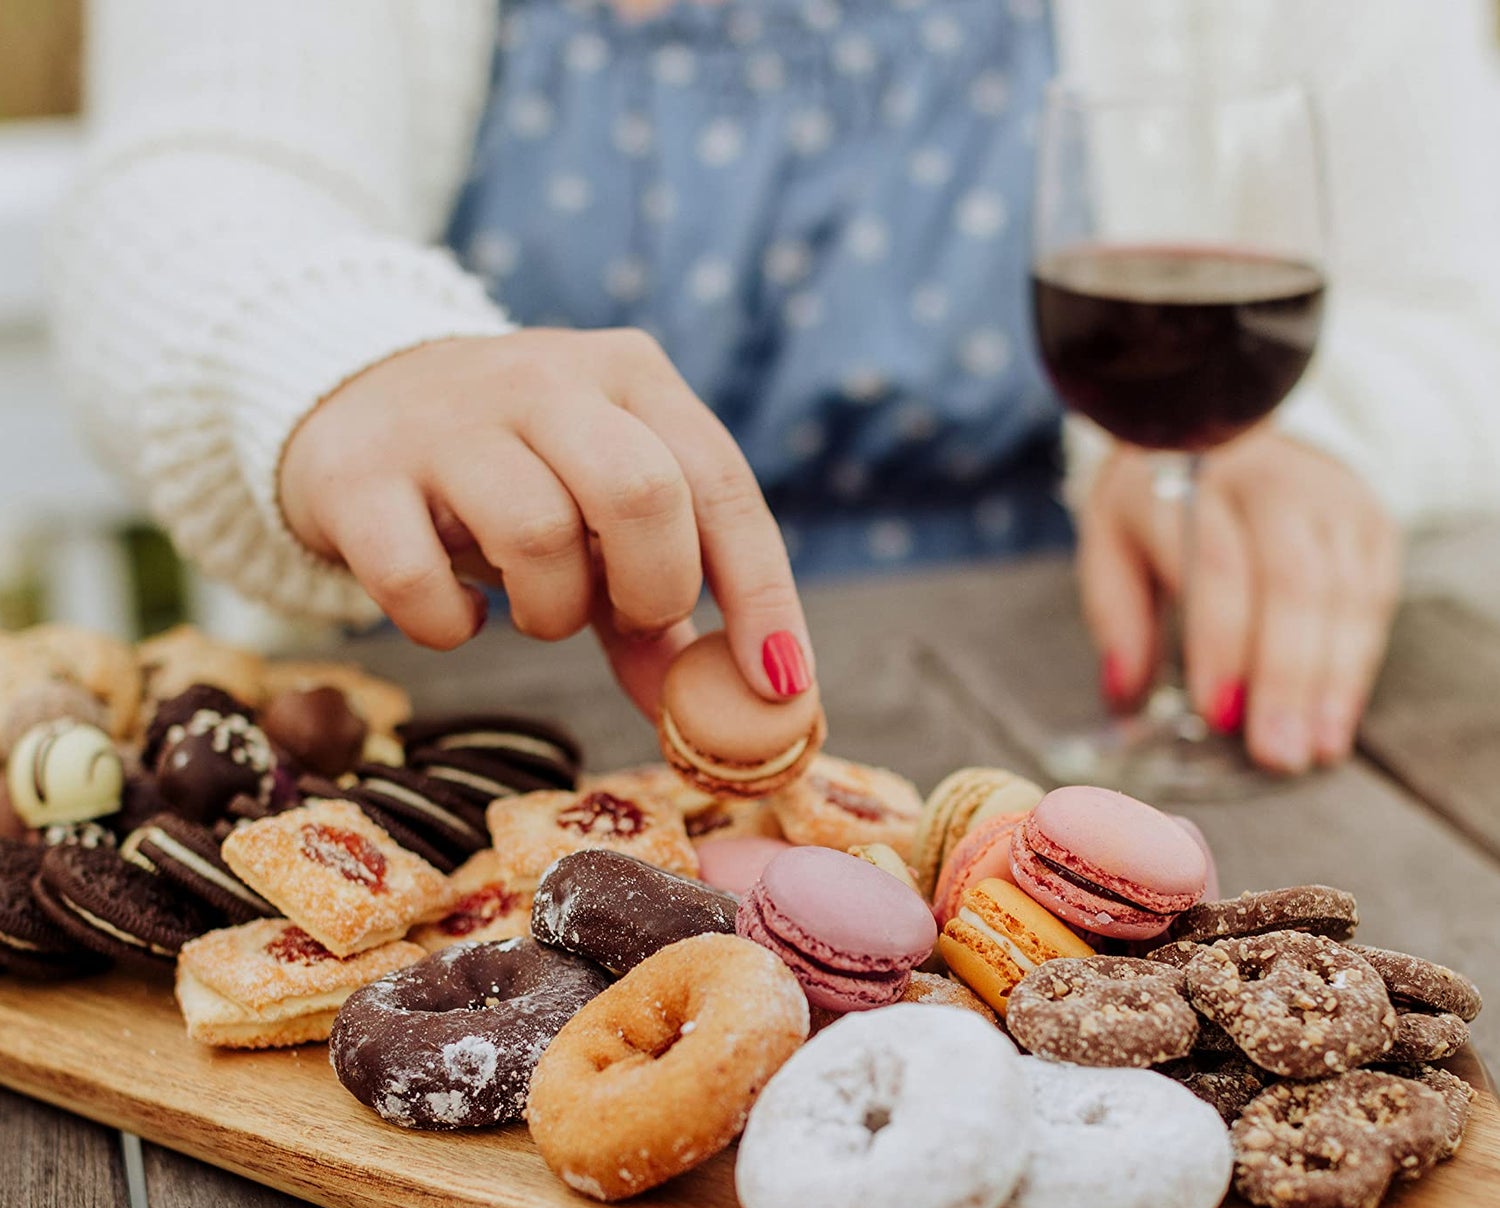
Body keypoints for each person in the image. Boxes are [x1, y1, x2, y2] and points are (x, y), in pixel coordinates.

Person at [49, 0, 1500, 772]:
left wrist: (1314, 441)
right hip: (488, 727)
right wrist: (355, 362)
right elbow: (191, 189)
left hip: (1071, 717)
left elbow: (1453, 295)